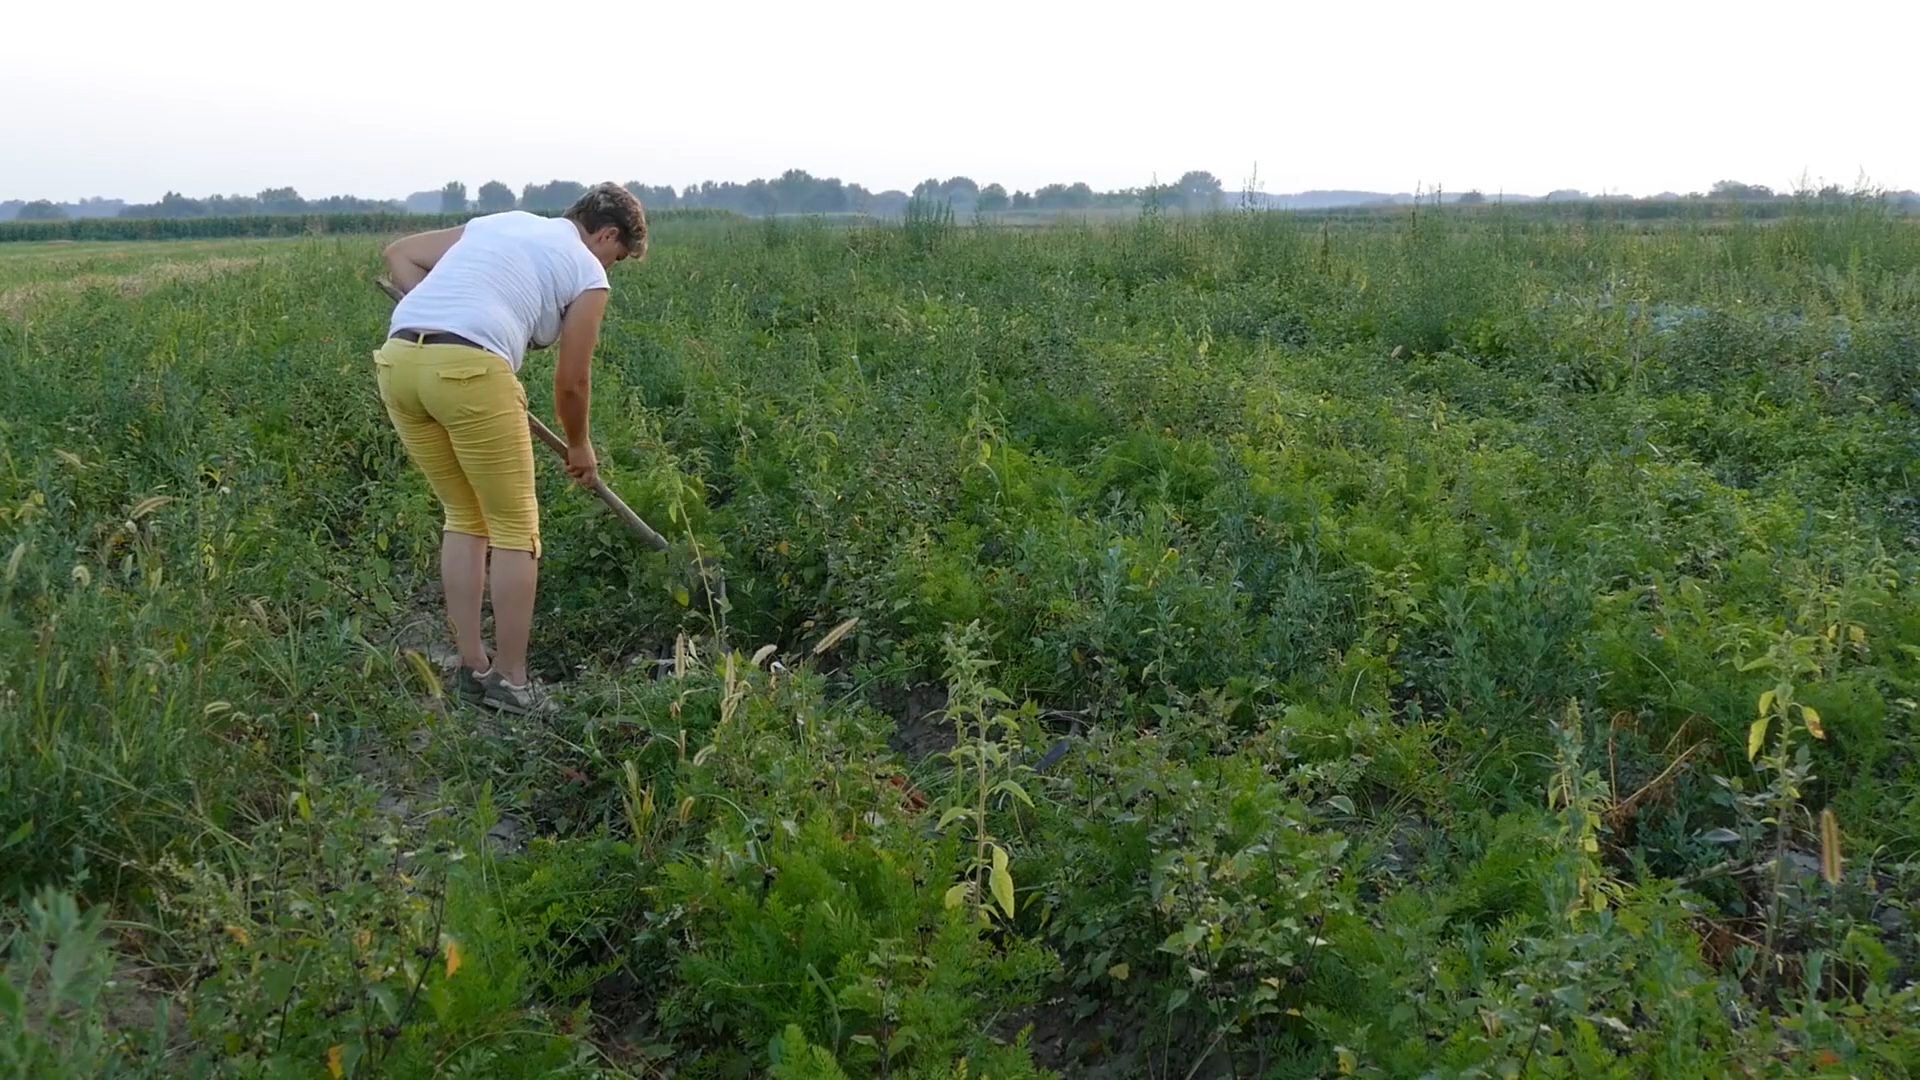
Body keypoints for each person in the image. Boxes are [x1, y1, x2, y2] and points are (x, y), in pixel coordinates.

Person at [374, 182, 647, 714]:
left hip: (399, 361)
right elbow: (572, 382)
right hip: (471, 371)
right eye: (617, 258)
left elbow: (399, 254)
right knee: (515, 528)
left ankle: (472, 666)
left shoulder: (501, 222)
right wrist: (579, 446)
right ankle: (513, 682)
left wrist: (443, 314)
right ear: (607, 234)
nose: (610, 269)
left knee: (464, 516)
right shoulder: (588, 272)